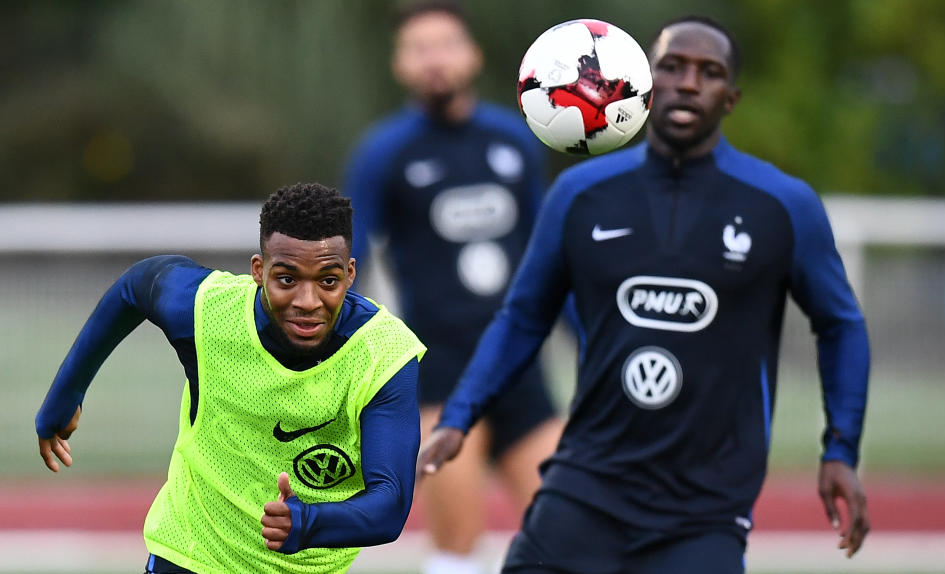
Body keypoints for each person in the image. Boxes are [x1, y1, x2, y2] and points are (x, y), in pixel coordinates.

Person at [418, 15, 871, 574]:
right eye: (673, 66)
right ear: (644, 82)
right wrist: (460, 415)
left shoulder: (782, 205)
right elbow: (524, 317)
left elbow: (841, 324)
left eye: (709, 72)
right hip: (585, 487)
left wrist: (840, 449)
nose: (688, 82)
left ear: (731, 97)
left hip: (706, 510)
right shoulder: (580, 194)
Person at [35, 183, 426, 574]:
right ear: (259, 271)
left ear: (350, 274)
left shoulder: (385, 355)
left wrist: (309, 523)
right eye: (287, 279)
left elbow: (390, 503)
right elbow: (136, 286)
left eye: (328, 281)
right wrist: (66, 394)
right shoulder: (208, 311)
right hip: (191, 556)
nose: (308, 302)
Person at [342, 3, 564, 573]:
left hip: (521, 368)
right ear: (400, 65)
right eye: (419, 48)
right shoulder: (384, 152)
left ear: (472, 55)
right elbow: (349, 261)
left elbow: (548, 255)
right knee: (458, 549)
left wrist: (593, 340)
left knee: (571, 532)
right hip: (438, 373)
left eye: (445, 44)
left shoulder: (514, 140)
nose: (434, 59)